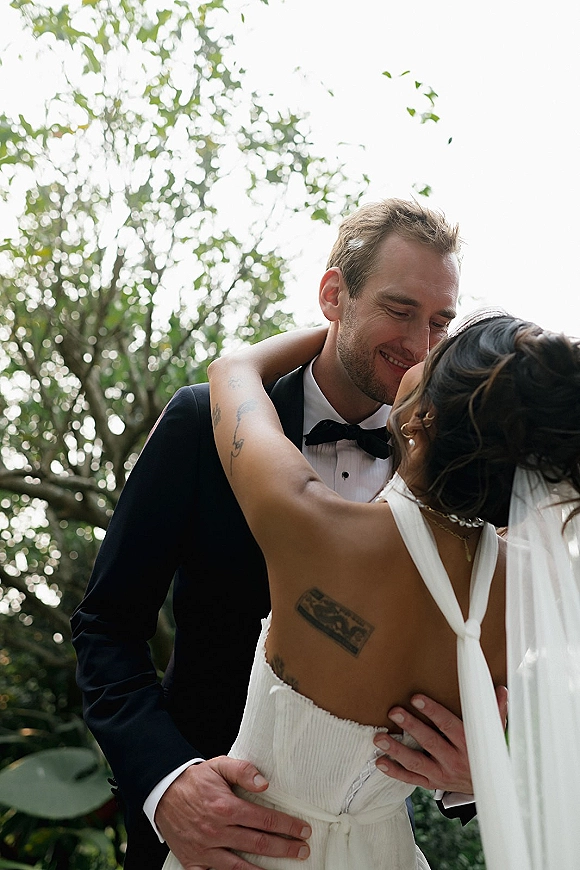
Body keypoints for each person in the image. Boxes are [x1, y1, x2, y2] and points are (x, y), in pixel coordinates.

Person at [71, 199, 480, 870]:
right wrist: (167, 783)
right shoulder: (203, 425)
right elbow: (106, 625)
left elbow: (465, 666)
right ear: (333, 295)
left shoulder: (454, 474)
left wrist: (472, 773)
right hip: (203, 839)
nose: (421, 345)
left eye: (440, 322)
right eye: (400, 310)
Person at [166, 312, 580, 870]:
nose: (419, 351)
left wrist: (341, 328)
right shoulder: (527, 594)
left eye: (434, 353)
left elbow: (234, 370)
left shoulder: (313, 526)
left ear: (421, 420)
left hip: (244, 851)